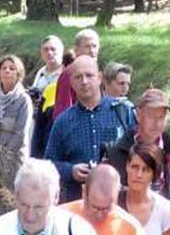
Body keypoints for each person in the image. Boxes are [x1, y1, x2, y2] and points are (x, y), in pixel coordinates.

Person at [45, 55, 134, 203]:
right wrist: (71, 171)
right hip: (78, 204)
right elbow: (49, 164)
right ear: (72, 82)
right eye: (78, 77)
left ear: (99, 78)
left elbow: (138, 154)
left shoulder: (122, 112)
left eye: (89, 75)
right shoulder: (63, 121)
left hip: (118, 201)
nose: (84, 81)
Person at [103, 87, 170, 205]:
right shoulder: (115, 152)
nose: (157, 123)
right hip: (127, 219)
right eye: (151, 116)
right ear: (138, 115)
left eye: (162, 117)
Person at [0, 54, 33, 175]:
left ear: (18, 74)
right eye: (4, 68)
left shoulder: (24, 100)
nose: (7, 71)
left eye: (12, 68)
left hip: (14, 160)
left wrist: (2, 155)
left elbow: (20, 134)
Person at [31, 48, 74, 158]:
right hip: (48, 153)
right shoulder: (50, 91)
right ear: (63, 68)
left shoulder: (91, 96)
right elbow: (38, 129)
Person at [52, 28, 100, 120]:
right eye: (87, 46)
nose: (92, 51)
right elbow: (63, 109)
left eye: (95, 46)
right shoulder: (69, 74)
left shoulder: (98, 72)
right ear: (76, 50)